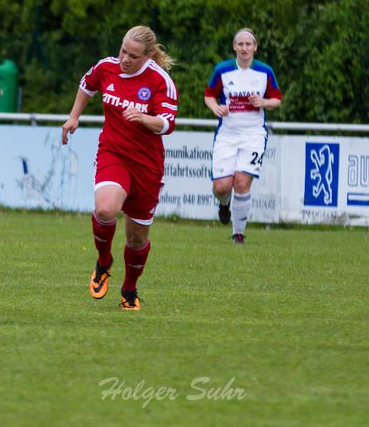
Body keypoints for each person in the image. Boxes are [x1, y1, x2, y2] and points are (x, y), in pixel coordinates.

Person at [61, 26, 178, 311]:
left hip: (147, 166)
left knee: (137, 239)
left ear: (148, 56)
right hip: (113, 153)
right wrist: (74, 116)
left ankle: (130, 288)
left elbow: (167, 124)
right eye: (123, 50)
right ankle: (103, 262)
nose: (124, 58)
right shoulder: (107, 67)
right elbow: (87, 84)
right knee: (105, 209)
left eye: (133, 55)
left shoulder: (160, 81)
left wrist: (144, 118)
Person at [204, 28, 282, 243]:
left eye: (249, 44)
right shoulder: (222, 70)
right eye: (240, 44)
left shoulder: (265, 72)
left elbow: (277, 99)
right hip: (227, 134)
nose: (245, 48)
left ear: (255, 47)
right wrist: (215, 108)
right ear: (234, 47)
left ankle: (238, 234)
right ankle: (223, 203)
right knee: (221, 187)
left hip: (253, 134)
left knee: (241, 182)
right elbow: (209, 95)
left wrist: (263, 102)